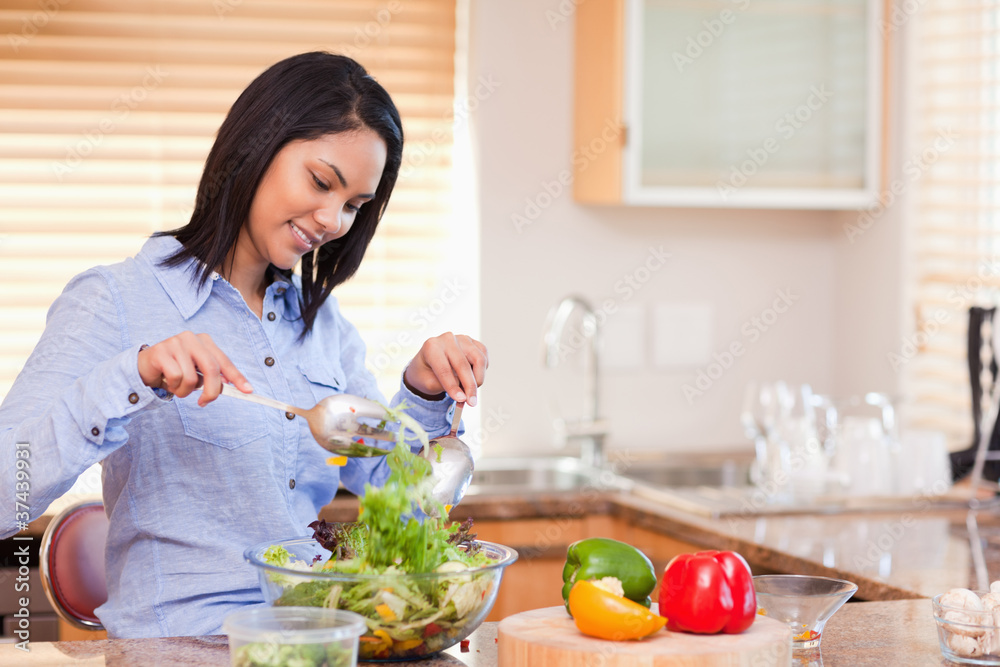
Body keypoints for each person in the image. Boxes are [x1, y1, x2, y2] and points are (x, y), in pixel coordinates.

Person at [0, 52, 487, 638]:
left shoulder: (322, 325)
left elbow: (403, 503)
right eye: (320, 181)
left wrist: (422, 395)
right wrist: (134, 375)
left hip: (311, 638)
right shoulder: (115, 299)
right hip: (180, 644)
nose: (333, 219)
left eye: (355, 205)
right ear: (256, 146)